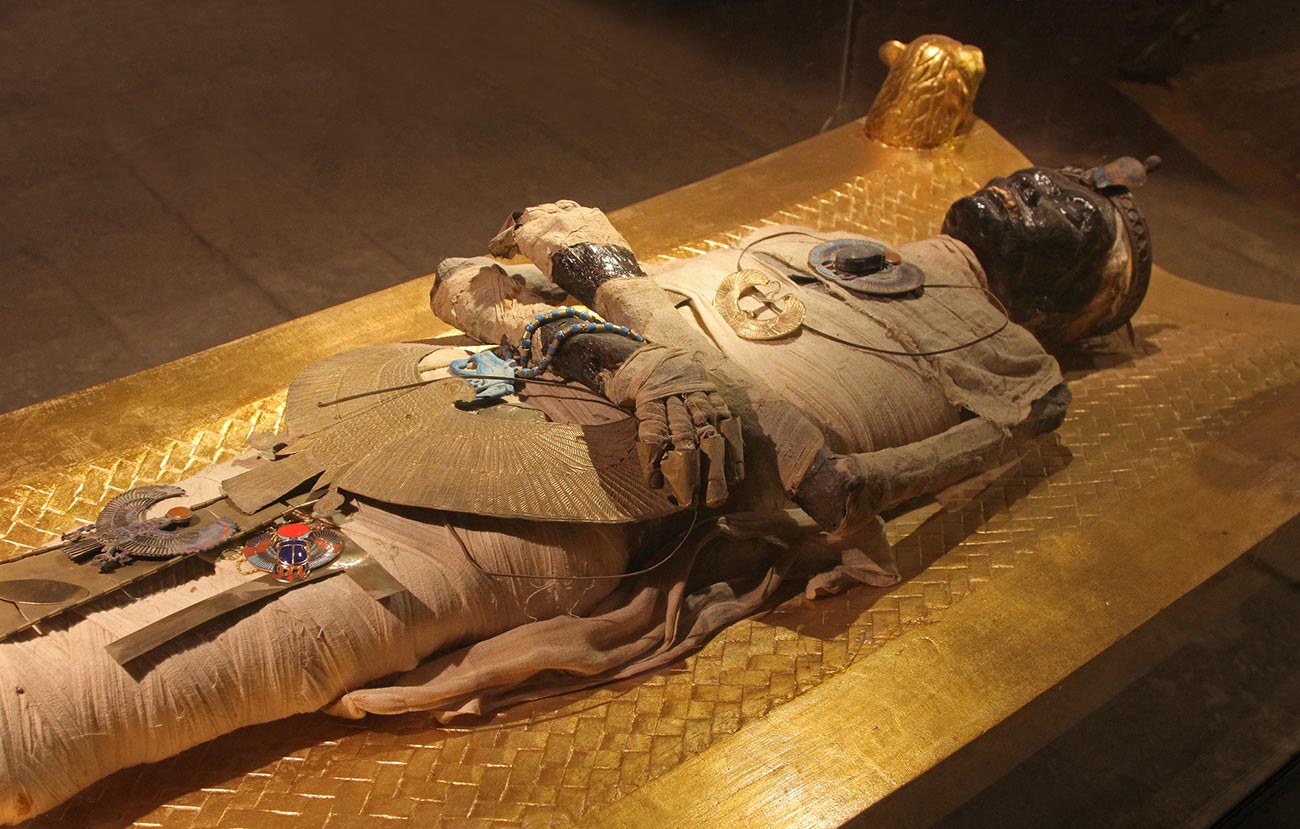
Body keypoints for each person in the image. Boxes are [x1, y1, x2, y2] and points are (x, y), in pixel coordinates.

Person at [0, 159, 1153, 824]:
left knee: (202, 639)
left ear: (1078, 296)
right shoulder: (817, 236)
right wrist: (595, 336)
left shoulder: (1017, 374)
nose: (1037, 182)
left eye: (1074, 207)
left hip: (579, 498)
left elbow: (839, 489)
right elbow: (473, 282)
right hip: (451, 392)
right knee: (149, 532)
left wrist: (637, 332)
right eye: (1047, 175)